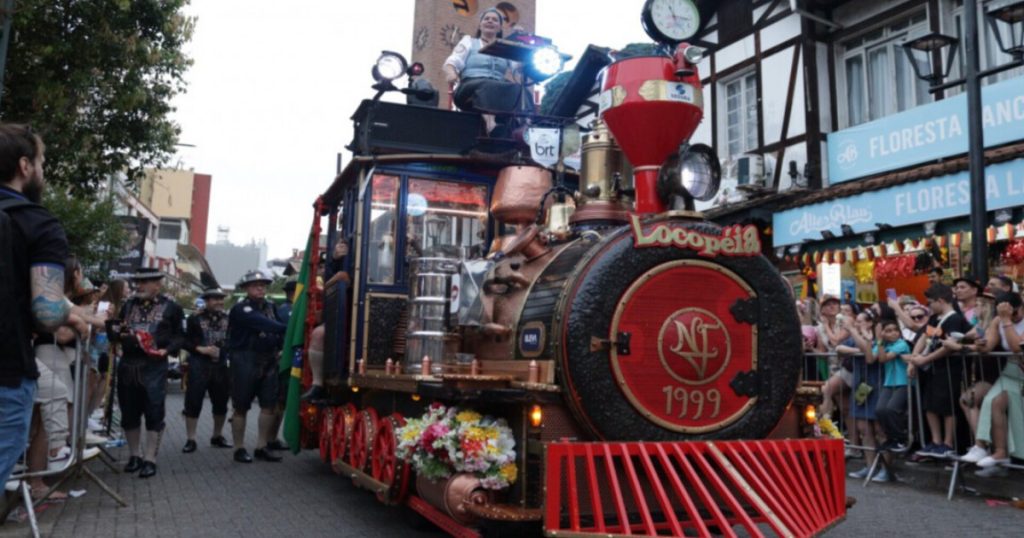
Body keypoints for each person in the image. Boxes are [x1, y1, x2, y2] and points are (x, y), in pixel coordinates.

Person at [0, 123, 70, 487]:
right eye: (42, 163)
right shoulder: (37, 223)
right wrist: (71, 312)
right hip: (6, 372)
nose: (42, 171)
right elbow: (47, 314)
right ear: (25, 166)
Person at [108, 268, 185, 478]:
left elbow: (180, 337)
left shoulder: (172, 307)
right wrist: (114, 331)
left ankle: (150, 458)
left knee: (154, 411)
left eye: (145, 282)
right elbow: (120, 330)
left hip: (154, 365)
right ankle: (135, 455)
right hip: (128, 365)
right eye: (137, 281)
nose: (139, 286)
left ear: (157, 284)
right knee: (129, 412)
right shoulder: (128, 305)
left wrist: (167, 350)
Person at [961, 291, 1024, 477]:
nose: (1013, 317)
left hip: (1020, 368)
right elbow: (988, 346)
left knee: (998, 402)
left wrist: (1006, 321)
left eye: (1015, 314)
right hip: (1011, 371)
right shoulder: (998, 320)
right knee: (991, 401)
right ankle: (990, 449)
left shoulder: (1005, 320)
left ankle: (1002, 453)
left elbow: (1016, 347)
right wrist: (981, 343)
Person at [227, 270, 287, 463]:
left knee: (269, 405)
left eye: (263, 285)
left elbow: (277, 328)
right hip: (245, 358)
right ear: (245, 288)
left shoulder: (270, 306)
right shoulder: (241, 308)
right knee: (241, 406)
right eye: (255, 285)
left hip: (268, 359)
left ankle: (261, 446)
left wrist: (281, 347)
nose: (260, 288)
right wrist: (290, 327)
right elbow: (267, 324)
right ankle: (239, 448)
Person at [907, 283, 971, 459]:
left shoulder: (955, 319)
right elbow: (925, 337)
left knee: (947, 407)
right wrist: (914, 359)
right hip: (932, 370)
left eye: (930, 302)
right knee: (930, 405)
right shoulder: (935, 319)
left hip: (948, 368)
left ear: (941, 300)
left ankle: (948, 442)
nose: (929, 306)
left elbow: (949, 347)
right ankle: (935, 441)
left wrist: (924, 359)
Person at [442, 8, 526, 133]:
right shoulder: (469, 42)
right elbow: (452, 62)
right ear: (480, 25)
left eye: (494, 20)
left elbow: (518, 68)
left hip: (498, 88)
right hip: (469, 87)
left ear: (499, 28)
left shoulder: (505, 47)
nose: (490, 21)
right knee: (488, 85)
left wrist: (519, 41)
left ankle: (524, 127)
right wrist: (451, 73)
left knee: (520, 90)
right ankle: (490, 124)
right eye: (486, 19)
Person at [182, 288, 232, 453]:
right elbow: (185, 341)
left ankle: (217, 436)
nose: (219, 302)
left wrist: (225, 350)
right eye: (215, 299)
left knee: (221, 402)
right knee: (193, 401)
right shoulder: (195, 319)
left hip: (221, 366)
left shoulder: (228, 319)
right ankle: (191, 439)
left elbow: (233, 341)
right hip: (199, 364)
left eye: (221, 299)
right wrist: (200, 349)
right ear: (207, 300)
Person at [840, 311, 884, 479]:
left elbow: (868, 352)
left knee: (879, 429)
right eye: (855, 322)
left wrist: (852, 330)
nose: (856, 324)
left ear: (870, 323)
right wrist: (856, 349)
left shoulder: (878, 335)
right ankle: (870, 465)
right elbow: (839, 347)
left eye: (860, 322)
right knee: (863, 428)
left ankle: (885, 468)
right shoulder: (856, 337)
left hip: (877, 384)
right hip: (860, 386)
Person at [875, 319, 913, 457]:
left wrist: (879, 341)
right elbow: (871, 358)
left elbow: (883, 359)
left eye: (895, 330)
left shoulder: (901, 344)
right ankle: (891, 438)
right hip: (889, 383)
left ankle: (900, 438)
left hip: (903, 382)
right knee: (880, 410)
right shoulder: (883, 344)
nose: (893, 333)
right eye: (888, 331)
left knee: (892, 409)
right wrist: (870, 339)